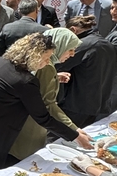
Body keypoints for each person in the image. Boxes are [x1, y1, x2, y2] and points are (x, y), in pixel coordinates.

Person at [0, 34, 93, 176]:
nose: (48, 62)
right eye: (46, 58)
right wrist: (75, 136)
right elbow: (43, 117)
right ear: (34, 56)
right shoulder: (25, 81)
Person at [9, 28, 82, 161]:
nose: (72, 54)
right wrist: (74, 130)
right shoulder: (47, 67)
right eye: (70, 49)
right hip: (32, 126)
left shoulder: (47, 65)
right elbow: (48, 104)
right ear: (61, 45)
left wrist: (55, 77)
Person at [55, 15, 116, 127]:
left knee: (58, 136)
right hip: (99, 101)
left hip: (76, 103)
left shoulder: (82, 44)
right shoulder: (106, 43)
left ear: (73, 30)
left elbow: (59, 65)